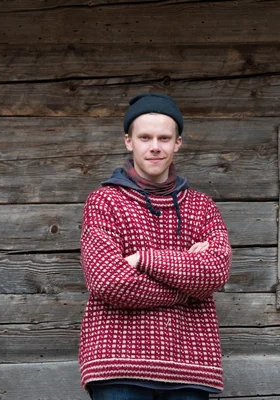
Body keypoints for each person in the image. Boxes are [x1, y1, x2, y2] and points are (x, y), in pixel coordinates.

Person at [79, 93, 233, 400]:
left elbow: (215, 271)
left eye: (164, 138)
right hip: (117, 364)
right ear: (128, 141)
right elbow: (108, 282)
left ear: (177, 143)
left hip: (189, 363)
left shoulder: (202, 207)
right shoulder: (104, 202)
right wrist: (186, 287)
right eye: (145, 137)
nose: (154, 147)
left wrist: (142, 259)